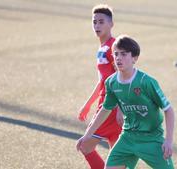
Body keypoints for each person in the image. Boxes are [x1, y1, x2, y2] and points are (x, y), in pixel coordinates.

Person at [76, 35, 175, 169]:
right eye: (116, 54)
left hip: (151, 139)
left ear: (134, 58)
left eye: (123, 54)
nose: (118, 58)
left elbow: (168, 110)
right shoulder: (111, 82)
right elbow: (106, 109)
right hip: (128, 138)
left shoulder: (146, 82)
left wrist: (168, 141)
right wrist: (87, 135)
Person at [77, 4, 123, 169]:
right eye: (94, 22)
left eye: (101, 22)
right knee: (117, 157)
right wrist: (87, 105)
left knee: (85, 145)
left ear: (111, 24)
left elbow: (121, 76)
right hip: (107, 106)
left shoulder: (112, 47)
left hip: (108, 108)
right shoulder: (102, 48)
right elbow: (102, 82)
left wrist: (119, 108)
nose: (97, 26)